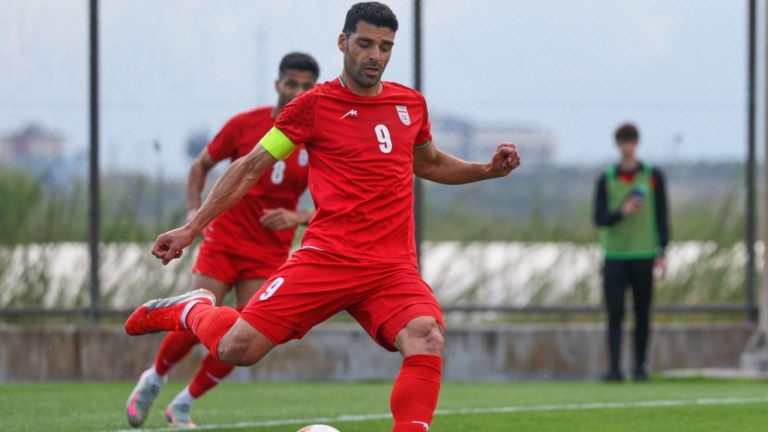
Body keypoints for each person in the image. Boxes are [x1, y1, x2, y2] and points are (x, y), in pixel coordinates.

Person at [125, 3, 521, 431]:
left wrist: (486, 170)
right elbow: (250, 167)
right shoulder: (313, 106)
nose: (375, 55)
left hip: (390, 268)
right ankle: (193, 309)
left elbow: (429, 163)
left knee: (426, 335)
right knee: (239, 349)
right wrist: (191, 227)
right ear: (343, 42)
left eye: (385, 46)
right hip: (327, 259)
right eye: (365, 43)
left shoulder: (410, 105)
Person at [125, 52, 320, 428]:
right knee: (197, 315)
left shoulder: (316, 136)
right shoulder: (245, 125)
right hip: (225, 240)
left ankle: (184, 403)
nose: (298, 92)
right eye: (292, 84)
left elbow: (336, 203)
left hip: (269, 251)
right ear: (277, 84)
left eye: (307, 87)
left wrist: (297, 217)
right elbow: (200, 166)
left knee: (249, 333)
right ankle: (154, 379)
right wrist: (192, 214)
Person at [593, 122, 669, 383]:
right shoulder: (606, 178)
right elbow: (598, 218)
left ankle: (640, 369)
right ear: (618, 144)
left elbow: (662, 215)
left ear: (637, 143)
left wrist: (663, 250)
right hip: (614, 256)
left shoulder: (652, 175)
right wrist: (621, 212)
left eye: (631, 141)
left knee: (642, 314)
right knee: (614, 314)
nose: (627, 146)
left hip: (644, 254)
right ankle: (614, 369)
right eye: (623, 141)